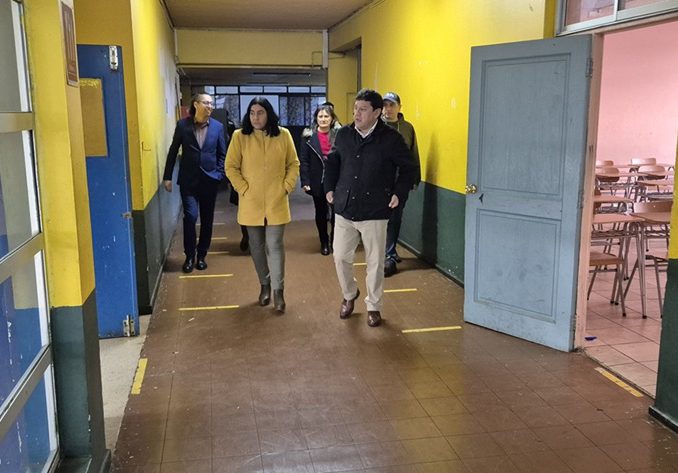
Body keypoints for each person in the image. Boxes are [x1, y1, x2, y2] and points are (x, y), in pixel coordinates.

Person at [324, 89, 417, 327]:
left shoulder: (391, 139)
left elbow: (409, 168)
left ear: (376, 113)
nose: (357, 113)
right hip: (345, 206)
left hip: (376, 209)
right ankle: (349, 294)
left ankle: (373, 306)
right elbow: (333, 162)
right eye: (355, 108)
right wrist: (329, 187)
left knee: (375, 263)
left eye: (363, 109)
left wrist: (399, 192)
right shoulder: (344, 134)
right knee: (340, 257)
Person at [226, 97, 299, 314]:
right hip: (251, 202)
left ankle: (278, 291)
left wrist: (286, 187)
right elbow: (230, 167)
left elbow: (293, 164)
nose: (256, 117)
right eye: (252, 113)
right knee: (256, 247)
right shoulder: (240, 136)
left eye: (260, 113)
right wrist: (244, 189)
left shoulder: (283, 135)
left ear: (269, 114)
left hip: (277, 200)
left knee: (274, 245)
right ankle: (264, 284)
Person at [163, 93, 227, 273]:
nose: (210, 106)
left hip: (209, 181)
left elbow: (222, 153)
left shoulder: (218, 127)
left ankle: (201, 256)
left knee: (207, 219)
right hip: (188, 181)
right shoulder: (182, 125)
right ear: (196, 104)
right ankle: (189, 256)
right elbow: (173, 151)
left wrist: (219, 174)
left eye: (211, 103)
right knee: (190, 217)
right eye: (206, 103)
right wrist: (167, 176)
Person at [381, 91, 421, 277]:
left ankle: (390, 252)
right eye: (385, 105)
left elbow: (413, 154)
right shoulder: (375, 126)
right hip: (378, 182)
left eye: (392, 105)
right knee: (381, 219)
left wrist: (415, 178)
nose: (388, 109)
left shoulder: (407, 128)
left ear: (399, 107)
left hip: (400, 181)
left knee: (395, 217)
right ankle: (385, 253)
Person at [300, 104, 340, 255]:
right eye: (320, 116)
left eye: (326, 116)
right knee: (321, 212)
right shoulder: (308, 137)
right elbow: (304, 160)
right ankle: (324, 241)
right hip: (317, 179)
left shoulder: (339, 135)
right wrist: (305, 181)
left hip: (336, 180)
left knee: (337, 213)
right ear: (316, 119)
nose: (323, 119)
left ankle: (334, 240)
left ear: (332, 119)